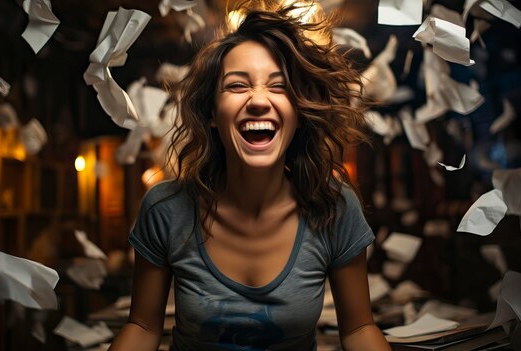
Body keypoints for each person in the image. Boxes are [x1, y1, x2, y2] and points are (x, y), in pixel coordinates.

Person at [109, 1, 391, 350]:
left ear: (299, 111)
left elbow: (359, 329)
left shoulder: (335, 206)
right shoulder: (166, 208)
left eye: (279, 86)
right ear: (212, 112)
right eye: (237, 86)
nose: (258, 100)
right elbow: (142, 327)